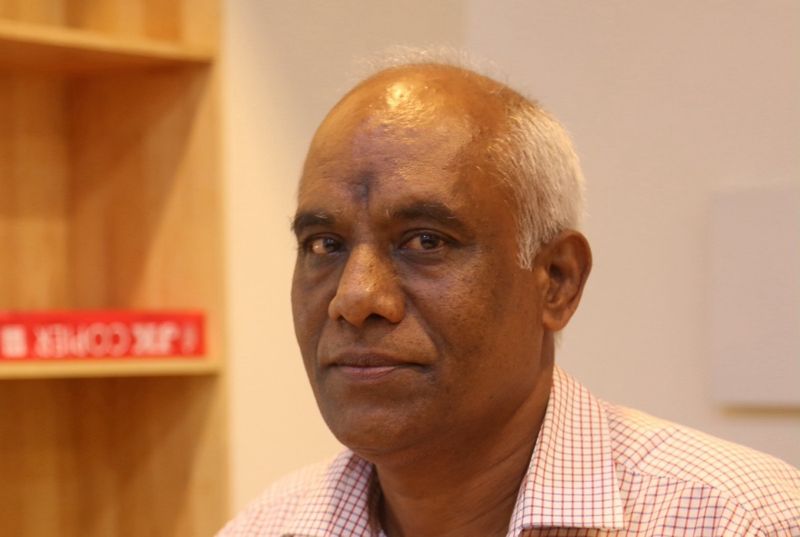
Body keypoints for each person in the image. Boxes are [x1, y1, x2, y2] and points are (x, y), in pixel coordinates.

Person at [219, 62, 800, 537]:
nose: (355, 297)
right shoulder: (267, 527)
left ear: (557, 281)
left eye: (425, 241)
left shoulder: (735, 520)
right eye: (324, 244)